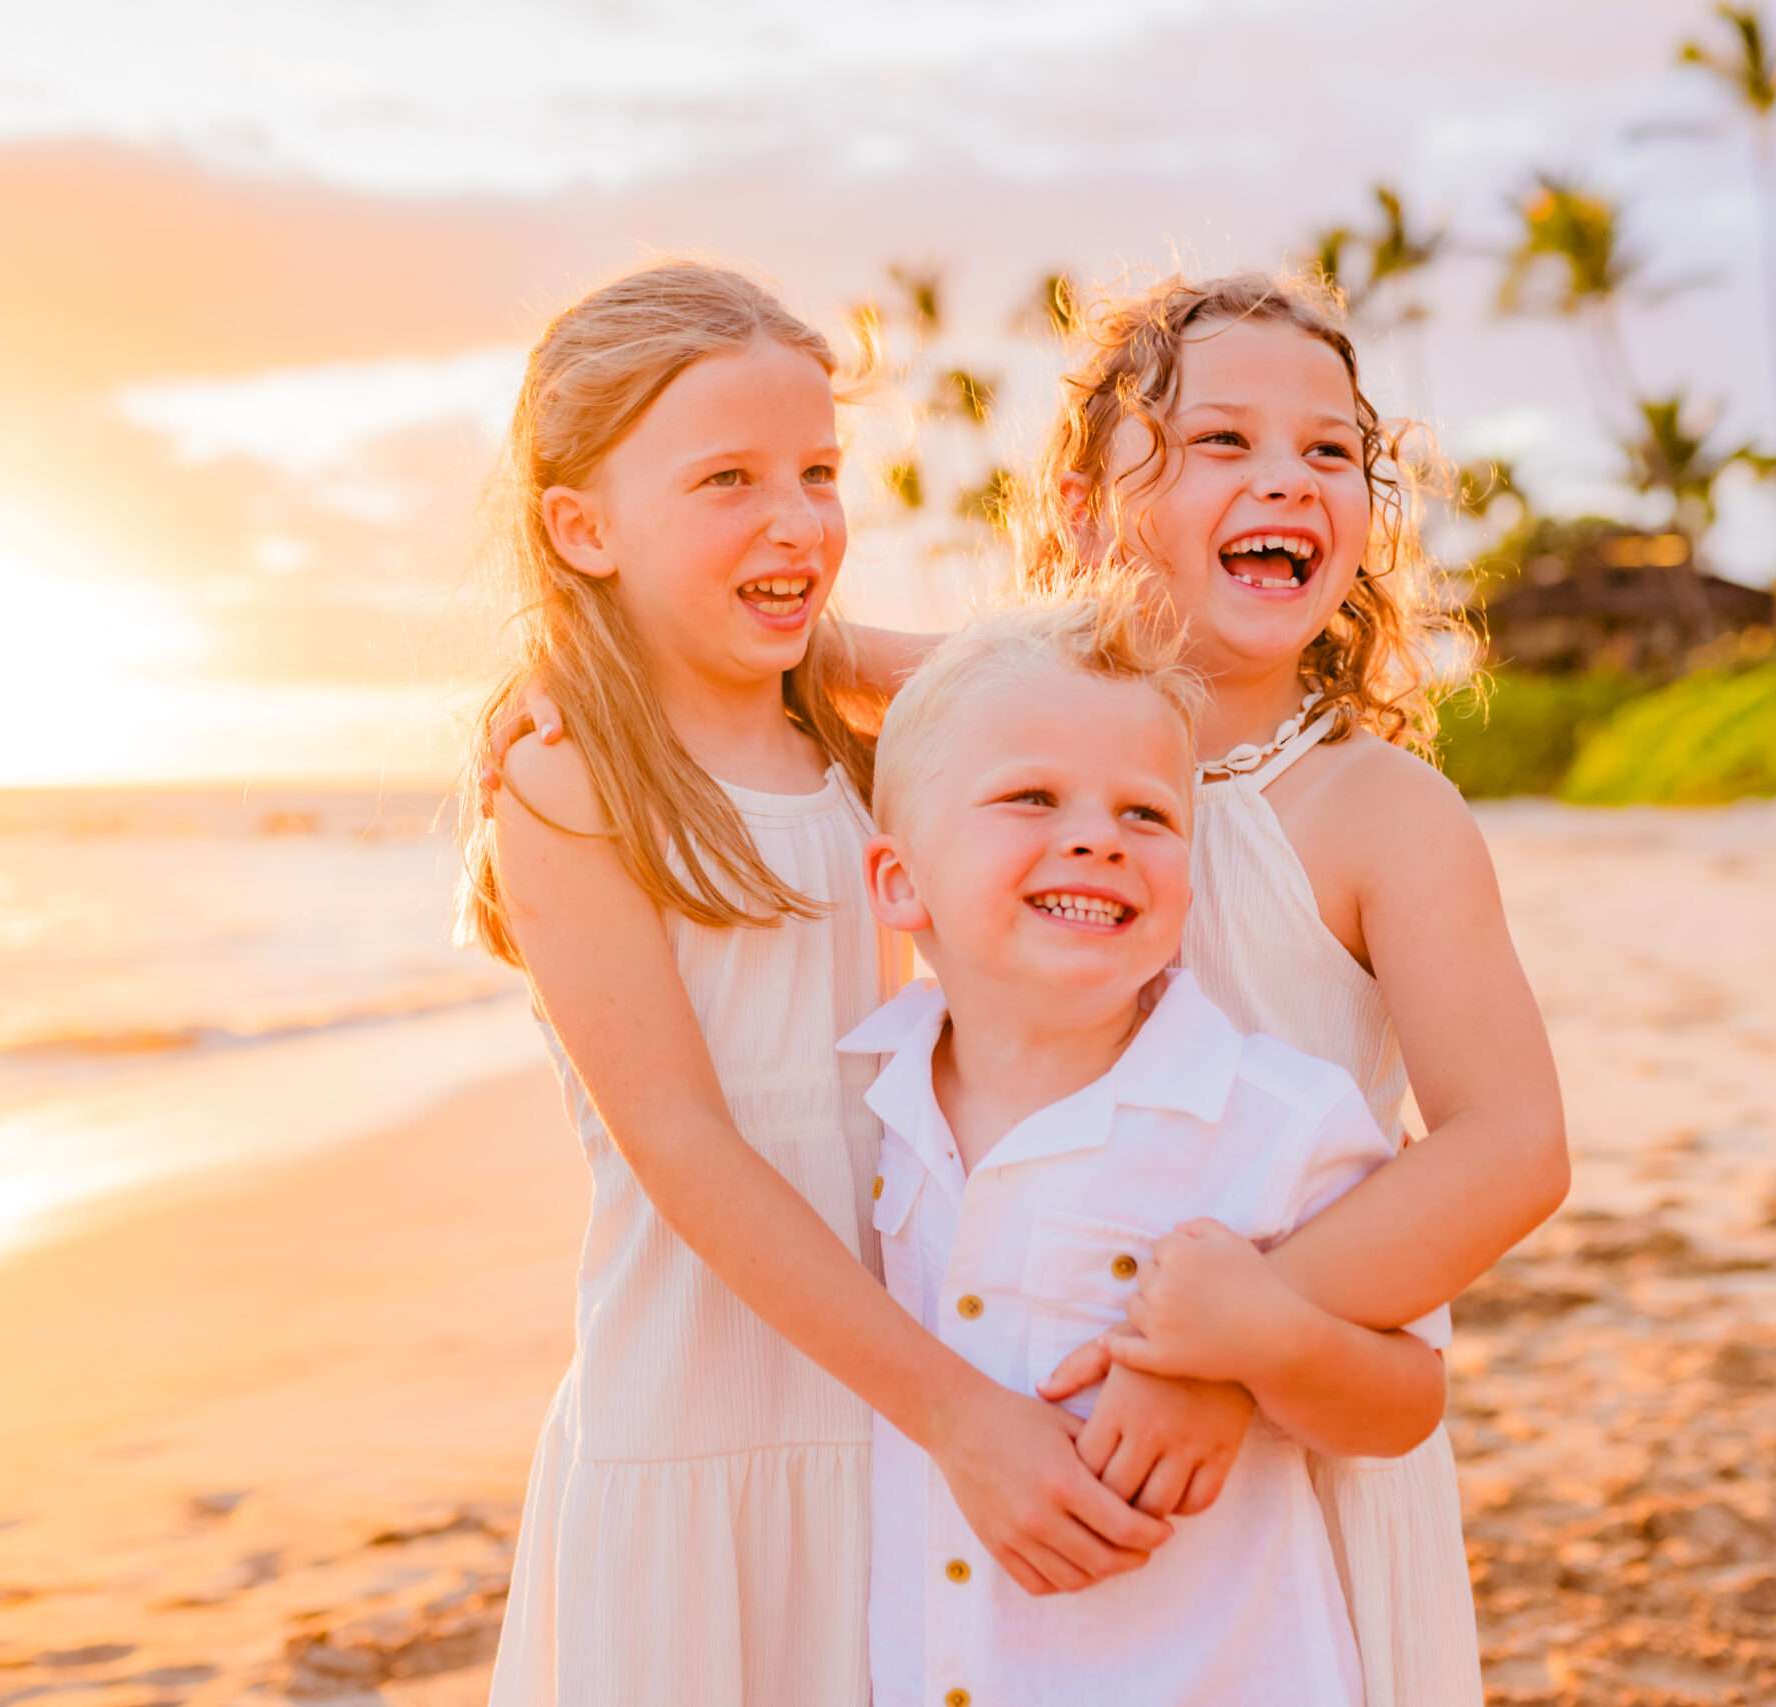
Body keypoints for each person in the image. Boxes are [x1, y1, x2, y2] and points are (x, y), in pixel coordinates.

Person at [465, 260, 1241, 1707]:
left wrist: (815, 641)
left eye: (818, 472)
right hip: (709, 1409)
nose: (797, 520)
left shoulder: (841, 728)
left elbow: (1058, 685)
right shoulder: (570, 773)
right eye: (728, 480)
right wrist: (958, 1416)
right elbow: (687, 1150)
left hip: (893, 1391)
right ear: (581, 525)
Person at [1021, 270, 1571, 1705]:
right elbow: (786, 687)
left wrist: (1227, 1341)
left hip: (1298, 1404)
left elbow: (1512, 1144)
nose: (1290, 479)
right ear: (1085, 508)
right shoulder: (996, 771)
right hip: (1039, 1421)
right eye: (1222, 443)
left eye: (1331, 450)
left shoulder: (1381, 811)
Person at [840, 594, 1452, 1706]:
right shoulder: (868, 1109)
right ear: (898, 884)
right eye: (1031, 798)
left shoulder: (1271, 1119)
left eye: (1146, 814)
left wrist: (1261, 1338)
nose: (1093, 838)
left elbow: (1407, 1400)